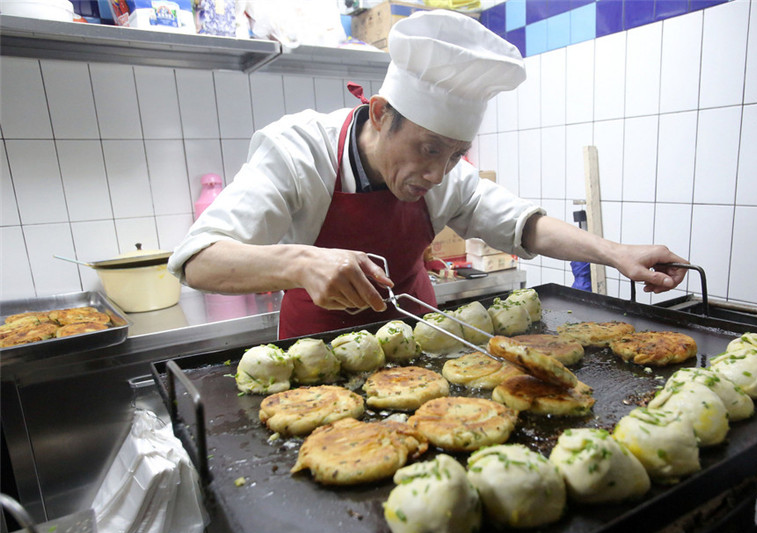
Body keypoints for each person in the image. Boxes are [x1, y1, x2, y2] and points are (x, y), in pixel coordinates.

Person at [168, 9, 687, 339]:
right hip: (319, 348)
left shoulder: (445, 174)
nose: (437, 173)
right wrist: (303, 262)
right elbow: (197, 260)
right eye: (427, 148)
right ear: (379, 114)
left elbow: (521, 224)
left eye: (455, 153)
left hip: (422, 339)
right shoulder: (299, 150)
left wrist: (616, 253)